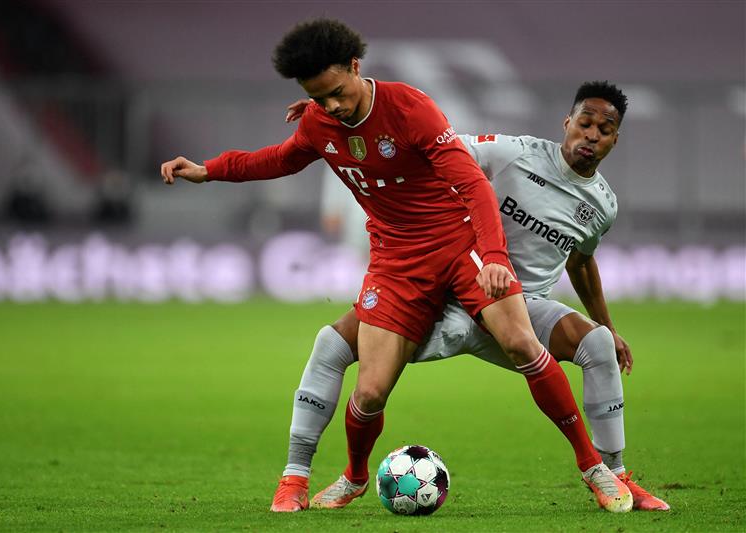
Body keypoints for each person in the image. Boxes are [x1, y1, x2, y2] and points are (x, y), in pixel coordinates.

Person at [160, 19, 631, 515]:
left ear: (355, 68)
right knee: (369, 391)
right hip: (396, 262)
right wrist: (208, 170)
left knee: (522, 343)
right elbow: (279, 159)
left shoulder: (410, 108)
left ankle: (593, 467)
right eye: (320, 99)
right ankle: (353, 476)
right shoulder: (321, 122)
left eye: (337, 92)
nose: (333, 106)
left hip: (458, 247)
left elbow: (472, 185)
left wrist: (493, 256)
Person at [278, 81, 669, 512]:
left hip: (519, 306)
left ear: (615, 139)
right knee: (330, 345)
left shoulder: (603, 205)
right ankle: (299, 477)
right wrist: (341, 110)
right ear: (568, 123)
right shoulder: (513, 152)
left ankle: (613, 476)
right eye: (585, 123)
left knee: (596, 344)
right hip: (447, 289)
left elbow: (580, 264)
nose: (591, 134)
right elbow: (435, 147)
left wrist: (610, 328)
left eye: (604, 129)